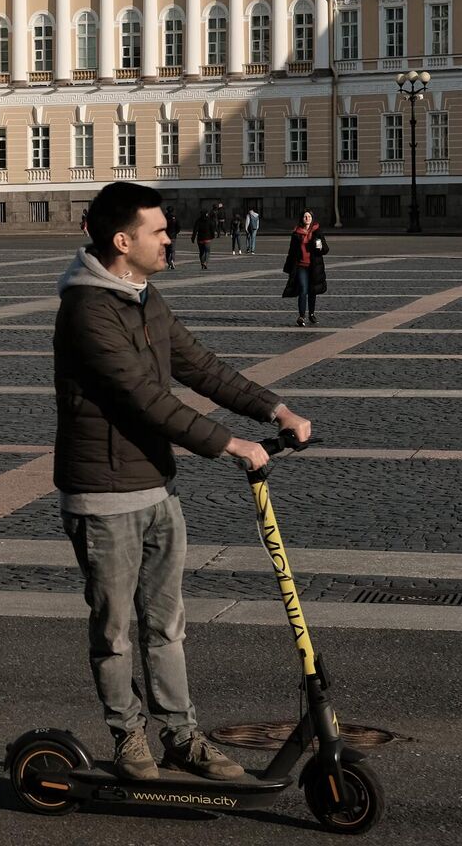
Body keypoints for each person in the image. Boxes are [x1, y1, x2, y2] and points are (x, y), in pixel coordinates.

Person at [54, 181, 313, 783]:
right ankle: (128, 740)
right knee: (115, 630)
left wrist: (275, 411)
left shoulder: (144, 295)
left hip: (156, 490)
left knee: (166, 625)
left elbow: (201, 366)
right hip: (103, 495)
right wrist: (230, 444)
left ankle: (182, 736)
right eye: (159, 230)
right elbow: (145, 399)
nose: (171, 237)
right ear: (123, 240)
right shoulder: (88, 310)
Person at [282, 210, 329, 327]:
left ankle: (312, 314)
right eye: (305, 216)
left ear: (312, 218)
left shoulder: (318, 232)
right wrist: (288, 267)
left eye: (309, 216)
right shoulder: (296, 233)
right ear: (302, 219)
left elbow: (326, 249)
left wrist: (319, 247)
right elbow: (291, 251)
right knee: (303, 289)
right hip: (301, 266)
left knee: (312, 291)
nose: (307, 218)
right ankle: (301, 316)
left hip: (314, 266)